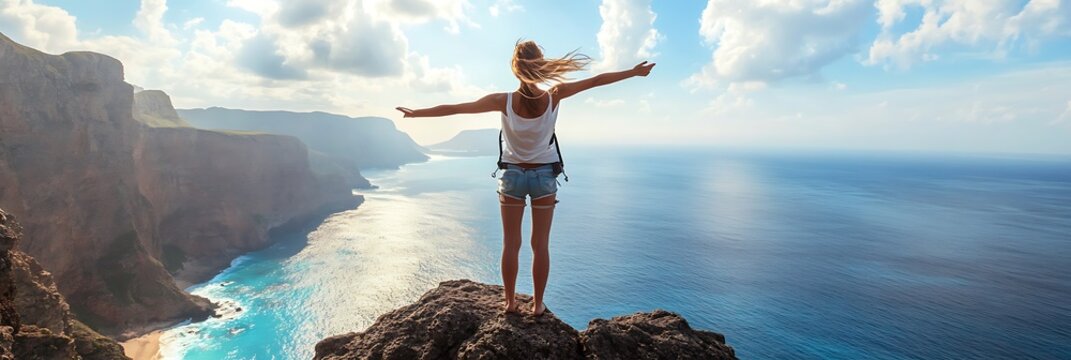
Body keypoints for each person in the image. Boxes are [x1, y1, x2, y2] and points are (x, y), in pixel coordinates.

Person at [396, 40, 655, 316]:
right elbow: (597, 81)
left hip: (512, 177)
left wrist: (418, 113)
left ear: (516, 70)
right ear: (540, 65)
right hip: (544, 178)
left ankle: (508, 302)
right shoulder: (555, 95)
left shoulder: (503, 100)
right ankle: (537, 304)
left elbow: (458, 107)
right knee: (540, 245)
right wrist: (633, 72)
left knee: (511, 244)